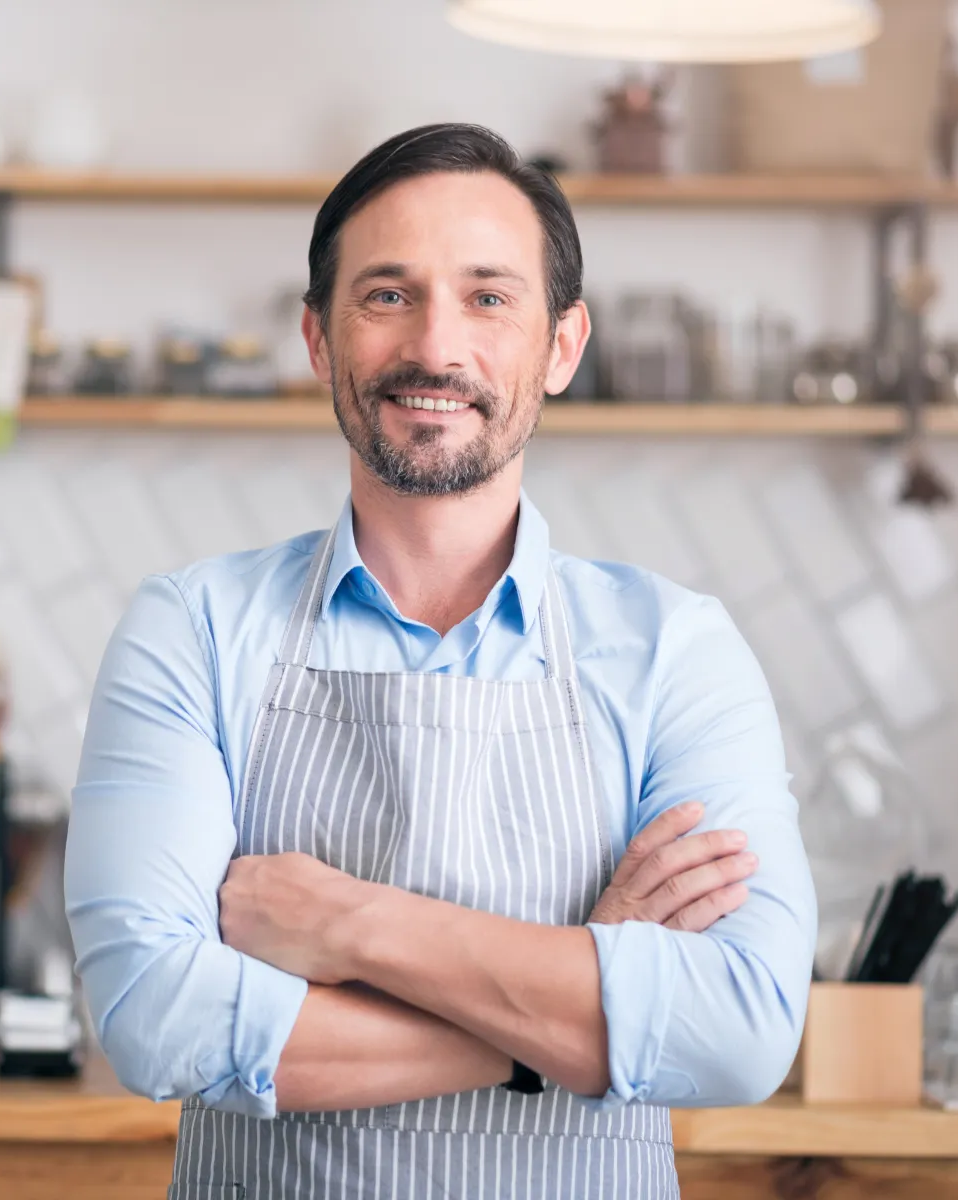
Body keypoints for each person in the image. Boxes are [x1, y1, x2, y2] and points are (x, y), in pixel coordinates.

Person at [65, 123, 816, 1198]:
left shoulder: (671, 652)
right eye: (385, 295)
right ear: (319, 340)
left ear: (561, 347)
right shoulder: (194, 628)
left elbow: (740, 1032)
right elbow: (153, 1021)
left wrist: (347, 926)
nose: (435, 346)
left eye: (488, 297)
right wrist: (560, 1011)